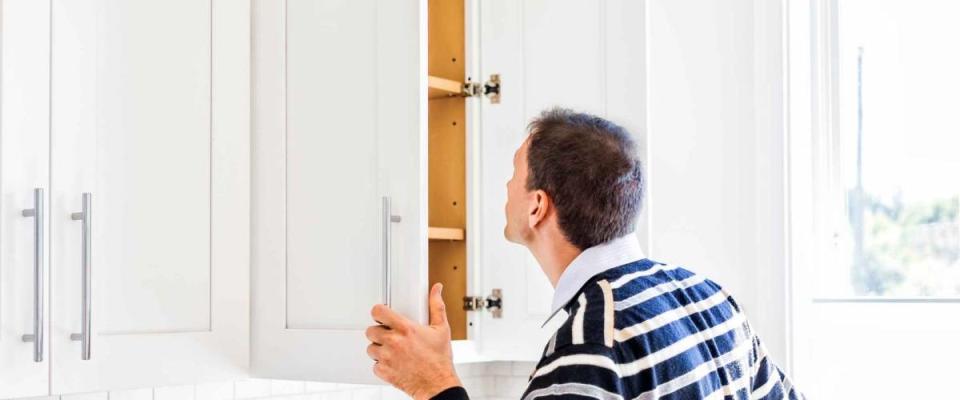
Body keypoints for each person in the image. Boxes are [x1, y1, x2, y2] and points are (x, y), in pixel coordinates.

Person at [365, 108, 802, 400]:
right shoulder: (708, 295)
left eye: (514, 174)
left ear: (537, 206)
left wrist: (435, 384)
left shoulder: (591, 343)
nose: (504, 187)